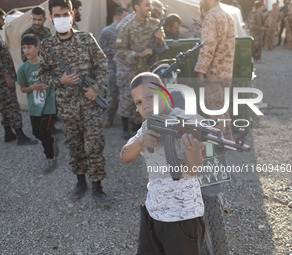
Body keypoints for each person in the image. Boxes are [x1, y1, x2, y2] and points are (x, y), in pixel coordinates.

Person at [120, 72, 205, 255]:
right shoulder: (147, 126)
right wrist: (141, 140)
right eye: (139, 102)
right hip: (153, 213)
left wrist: (193, 148)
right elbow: (125, 157)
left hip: (183, 218)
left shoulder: (185, 121)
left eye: (150, 97)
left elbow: (193, 170)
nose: (146, 105)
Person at [38, 0, 111, 205]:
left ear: (72, 14)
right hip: (67, 106)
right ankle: (80, 182)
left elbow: (102, 65)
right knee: (74, 145)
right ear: (51, 18)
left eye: (65, 14)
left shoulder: (86, 39)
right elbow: (42, 76)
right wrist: (59, 80)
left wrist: (97, 89)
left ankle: (98, 186)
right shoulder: (47, 46)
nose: (61, 18)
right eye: (57, 15)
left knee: (94, 144)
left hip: (90, 104)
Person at [0, 7, 38, 146]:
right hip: (2, 78)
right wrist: (7, 76)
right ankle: (20, 135)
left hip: (3, 77)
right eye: (3, 19)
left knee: (5, 105)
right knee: (12, 104)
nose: (4, 22)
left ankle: (8, 132)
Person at [115, 0, 168, 139]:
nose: (150, 8)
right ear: (137, 7)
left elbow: (162, 47)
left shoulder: (155, 24)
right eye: (147, 5)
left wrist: (161, 39)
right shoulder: (127, 27)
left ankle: (142, 125)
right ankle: (125, 127)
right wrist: (138, 54)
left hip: (151, 68)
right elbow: (120, 51)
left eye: (150, 4)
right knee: (128, 98)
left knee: (150, 97)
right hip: (133, 68)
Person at [195, 0, 235, 140]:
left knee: (213, 111)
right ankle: (228, 139)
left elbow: (207, 47)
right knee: (223, 109)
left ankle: (218, 145)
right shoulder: (227, 16)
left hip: (213, 72)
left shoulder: (211, 17)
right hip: (226, 72)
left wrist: (200, 70)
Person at [17, 34, 58, 174]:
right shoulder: (23, 69)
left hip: (49, 105)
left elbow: (57, 80)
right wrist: (33, 88)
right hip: (34, 106)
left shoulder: (47, 65)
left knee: (45, 132)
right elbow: (23, 89)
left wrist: (49, 84)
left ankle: (50, 158)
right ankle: (52, 143)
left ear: (37, 48)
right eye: (24, 48)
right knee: (36, 133)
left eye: (29, 47)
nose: (26, 51)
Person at [99, 7, 129, 128]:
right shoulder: (107, 31)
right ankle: (110, 117)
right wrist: (115, 52)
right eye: (124, 17)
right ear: (117, 17)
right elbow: (100, 49)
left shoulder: (127, 31)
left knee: (126, 94)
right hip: (111, 67)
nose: (127, 20)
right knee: (112, 94)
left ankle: (127, 118)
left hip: (125, 68)